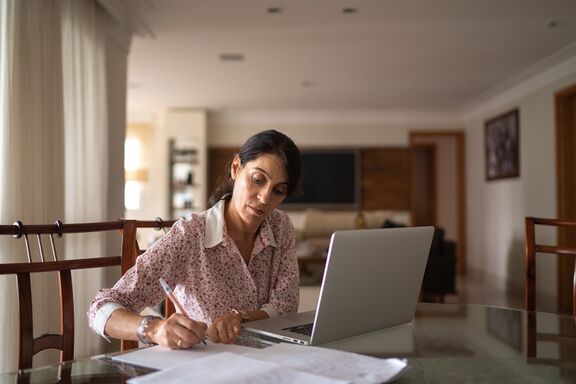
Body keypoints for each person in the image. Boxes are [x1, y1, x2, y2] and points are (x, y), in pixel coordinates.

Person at [87, 129, 302, 348]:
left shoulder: (281, 226)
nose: (265, 198)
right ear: (236, 167)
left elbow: (286, 306)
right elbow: (100, 309)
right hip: (208, 366)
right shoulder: (190, 236)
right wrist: (154, 329)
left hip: (270, 361)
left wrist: (240, 317)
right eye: (258, 179)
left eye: (278, 191)